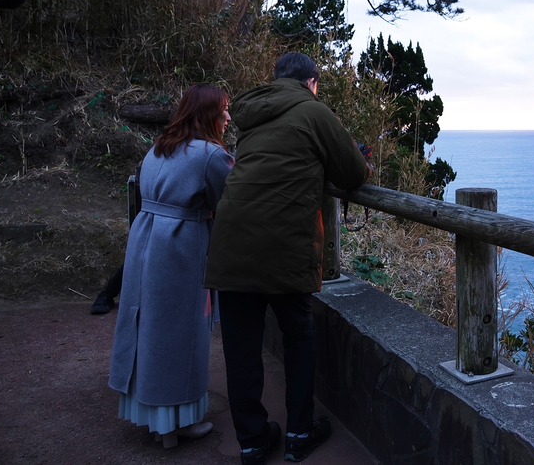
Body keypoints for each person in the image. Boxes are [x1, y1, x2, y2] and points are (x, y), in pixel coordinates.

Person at [204, 52, 371, 465]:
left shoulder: (252, 114)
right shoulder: (314, 111)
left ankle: (253, 440)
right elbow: (351, 173)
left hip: (231, 243)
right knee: (299, 337)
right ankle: (299, 433)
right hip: (284, 246)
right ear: (312, 82)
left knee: (241, 347)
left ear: (276, 79)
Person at [108, 83, 234, 449]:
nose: (228, 116)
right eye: (223, 109)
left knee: (148, 325)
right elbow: (229, 203)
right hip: (182, 245)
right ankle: (176, 423)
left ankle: (156, 418)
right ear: (207, 113)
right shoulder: (211, 155)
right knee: (181, 332)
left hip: (146, 238)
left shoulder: (158, 148)